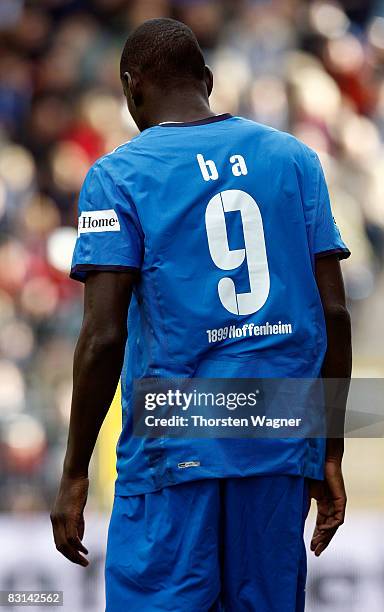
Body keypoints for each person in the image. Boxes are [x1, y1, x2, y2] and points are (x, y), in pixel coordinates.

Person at [51, 18, 352, 612]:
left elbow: (104, 336)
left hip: (175, 439)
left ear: (131, 87)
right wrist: (329, 449)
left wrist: (74, 472)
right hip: (277, 434)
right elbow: (335, 314)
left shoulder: (117, 177)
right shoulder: (294, 160)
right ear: (208, 80)